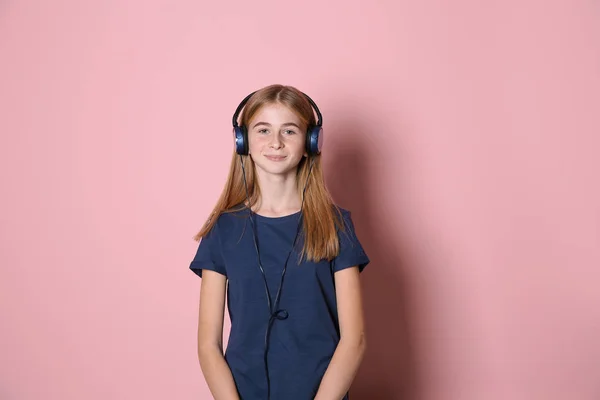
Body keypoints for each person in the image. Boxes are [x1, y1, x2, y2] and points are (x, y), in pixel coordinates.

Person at [189, 84, 370, 400]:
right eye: (263, 130)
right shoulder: (223, 230)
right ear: (243, 141)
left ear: (310, 142)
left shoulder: (336, 224)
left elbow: (354, 340)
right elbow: (208, 345)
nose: (275, 142)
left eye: (289, 131)